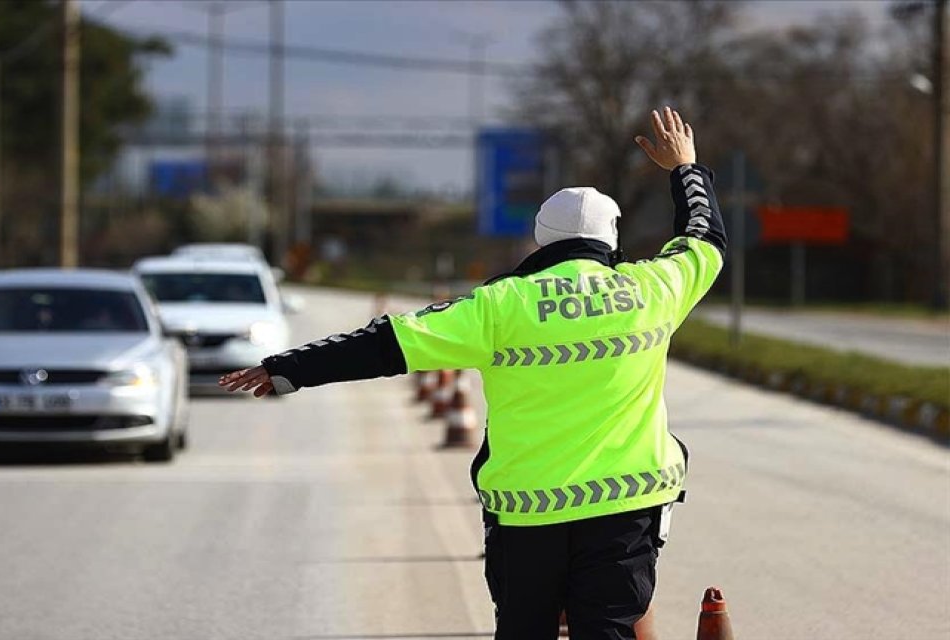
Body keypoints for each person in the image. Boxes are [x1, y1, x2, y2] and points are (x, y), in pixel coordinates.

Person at [219, 107, 726, 640]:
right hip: (626, 513)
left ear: (541, 240)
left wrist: (286, 369)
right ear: (613, 239)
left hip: (529, 518)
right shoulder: (654, 291)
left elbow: (385, 343)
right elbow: (705, 235)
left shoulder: (500, 305)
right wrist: (685, 168)